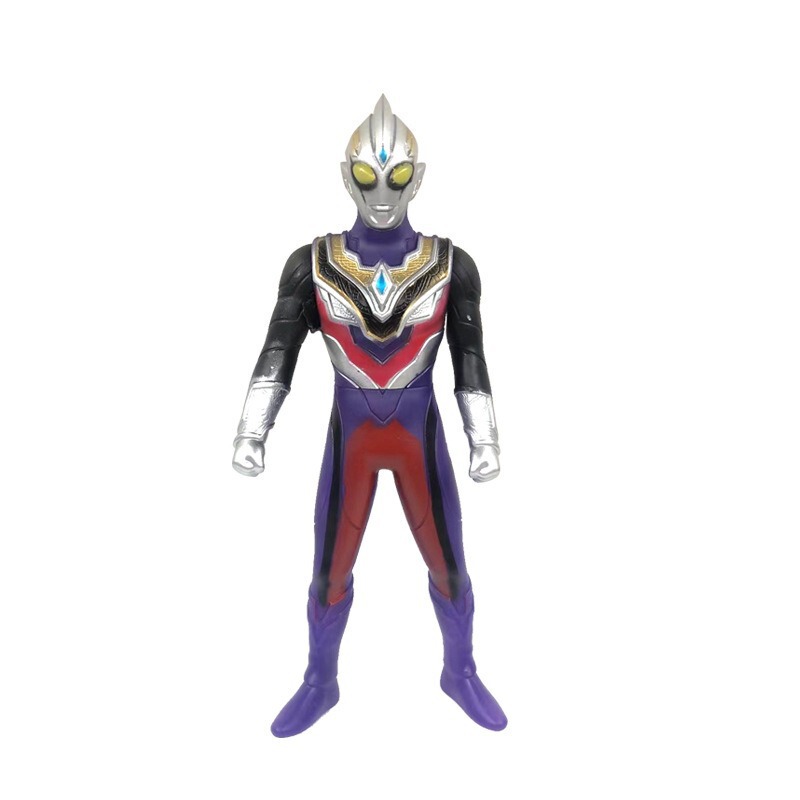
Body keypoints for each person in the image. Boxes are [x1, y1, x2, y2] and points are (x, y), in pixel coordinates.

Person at [232, 95, 507, 736]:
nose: (382, 193)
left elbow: (470, 357)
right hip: (351, 441)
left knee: (449, 567)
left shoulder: (451, 264)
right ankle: (319, 681)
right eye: (367, 176)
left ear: (418, 177)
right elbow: (278, 349)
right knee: (329, 572)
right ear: (346, 176)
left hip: (419, 440)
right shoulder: (312, 263)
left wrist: (484, 438)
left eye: (397, 176)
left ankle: (460, 670)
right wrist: (253, 428)